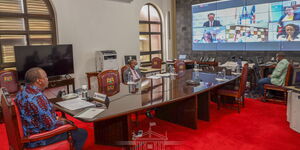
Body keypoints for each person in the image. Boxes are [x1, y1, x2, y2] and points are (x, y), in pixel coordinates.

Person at [15, 67, 87, 150]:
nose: (47, 79)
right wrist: (67, 123)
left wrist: (56, 116)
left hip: (30, 130)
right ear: (39, 81)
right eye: (45, 77)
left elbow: (40, 112)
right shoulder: (37, 97)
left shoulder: (23, 92)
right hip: (39, 138)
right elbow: (50, 125)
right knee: (81, 133)